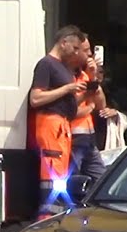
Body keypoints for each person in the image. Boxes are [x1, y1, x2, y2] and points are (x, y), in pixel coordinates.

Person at [28, 25, 89, 218]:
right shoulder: (46, 64)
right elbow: (36, 98)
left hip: (62, 126)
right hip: (51, 126)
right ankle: (46, 219)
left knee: (60, 175)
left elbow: (67, 104)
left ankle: (55, 216)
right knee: (51, 176)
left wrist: (85, 93)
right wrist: (67, 88)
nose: (77, 53)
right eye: (76, 48)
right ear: (64, 43)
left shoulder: (62, 68)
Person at [69, 38, 111, 182]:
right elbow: (68, 111)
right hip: (73, 137)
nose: (90, 55)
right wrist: (89, 107)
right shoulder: (67, 77)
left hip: (89, 137)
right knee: (72, 180)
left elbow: (102, 106)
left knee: (101, 180)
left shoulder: (85, 75)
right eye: (86, 50)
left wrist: (93, 75)